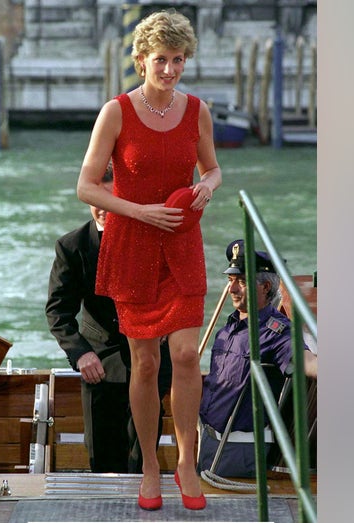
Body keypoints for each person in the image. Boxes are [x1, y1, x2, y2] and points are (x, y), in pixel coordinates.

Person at [75, 9, 222, 511]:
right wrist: (136, 210)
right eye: (161, 60)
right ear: (141, 60)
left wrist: (206, 186)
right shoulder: (116, 112)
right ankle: (150, 466)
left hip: (182, 243)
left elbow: (214, 169)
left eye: (179, 60)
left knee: (184, 354)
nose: (171, 70)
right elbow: (86, 186)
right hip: (133, 246)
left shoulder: (197, 110)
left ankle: (186, 460)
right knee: (145, 363)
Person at [46, 166, 171, 474]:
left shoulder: (155, 240)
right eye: (96, 197)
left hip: (150, 361)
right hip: (98, 365)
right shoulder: (72, 246)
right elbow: (58, 310)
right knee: (102, 461)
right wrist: (80, 353)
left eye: (111, 197)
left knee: (144, 461)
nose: (102, 207)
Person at [198, 240, 318, 478]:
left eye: (241, 282)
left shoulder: (277, 331)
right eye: (231, 280)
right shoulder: (230, 327)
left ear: (265, 287)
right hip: (209, 442)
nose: (232, 289)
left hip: (241, 449)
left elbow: (308, 362)